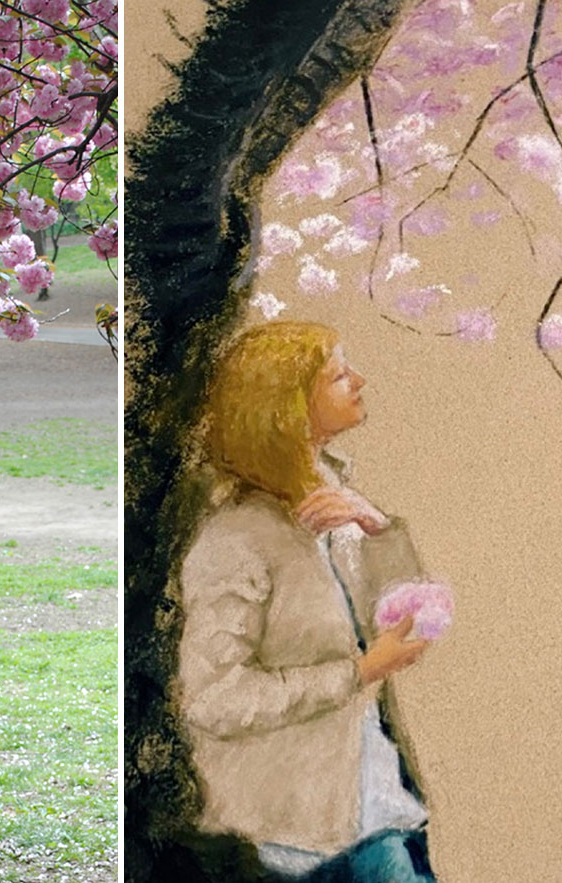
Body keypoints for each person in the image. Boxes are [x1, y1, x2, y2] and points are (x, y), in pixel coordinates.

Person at [177, 321, 437, 882]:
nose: (360, 381)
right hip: (293, 837)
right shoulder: (238, 536)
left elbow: (414, 622)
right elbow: (213, 697)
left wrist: (377, 528)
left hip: (374, 805)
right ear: (288, 407)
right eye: (340, 376)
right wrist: (358, 671)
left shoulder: (333, 505)